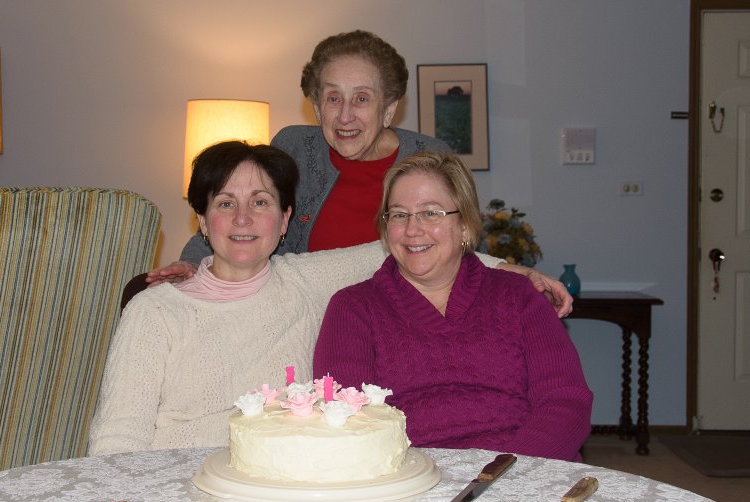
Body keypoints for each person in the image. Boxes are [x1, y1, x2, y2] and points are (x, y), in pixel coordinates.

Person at [88, 142, 506, 455]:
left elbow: (409, 246)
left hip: (284, 485)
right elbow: (117, 439)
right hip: (179, 485)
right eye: (225, 203)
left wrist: (511, 270)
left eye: (261, 202)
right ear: (201, 219)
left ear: (285, 218)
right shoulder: (155, 312)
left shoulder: (306, 280)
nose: (243, 219)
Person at [148, 29, 573, 317]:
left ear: (389, 108)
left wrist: (517, 273)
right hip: (298, 320)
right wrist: (190, 266)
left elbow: (459, 252)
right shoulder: (295, 147)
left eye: (362, 99)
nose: (345, 115)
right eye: (332, 98)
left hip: (401, 322)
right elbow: (240, 213)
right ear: (316, 106)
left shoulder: (430, 158)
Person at [312, 151, 593, 462]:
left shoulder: (519, 296)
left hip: (525, 472)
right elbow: (348, 419)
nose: (412, 229)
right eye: (399, 214)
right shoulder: (352, 310)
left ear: (465, 227)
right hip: (412, 478)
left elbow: (566, 402)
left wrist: (509, 474)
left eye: (431, 213)